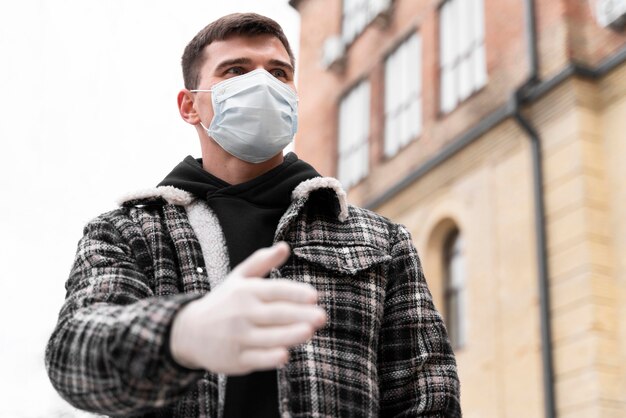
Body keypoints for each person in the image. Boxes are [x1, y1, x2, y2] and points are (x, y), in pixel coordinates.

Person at [45, 12, 461, 418]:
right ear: (190, 105)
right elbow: (74, 357)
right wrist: (181, 335)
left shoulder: (379, 240)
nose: (263, 83)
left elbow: (428, 398)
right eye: (236, 70)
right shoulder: (127, 231)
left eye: (279, 73)